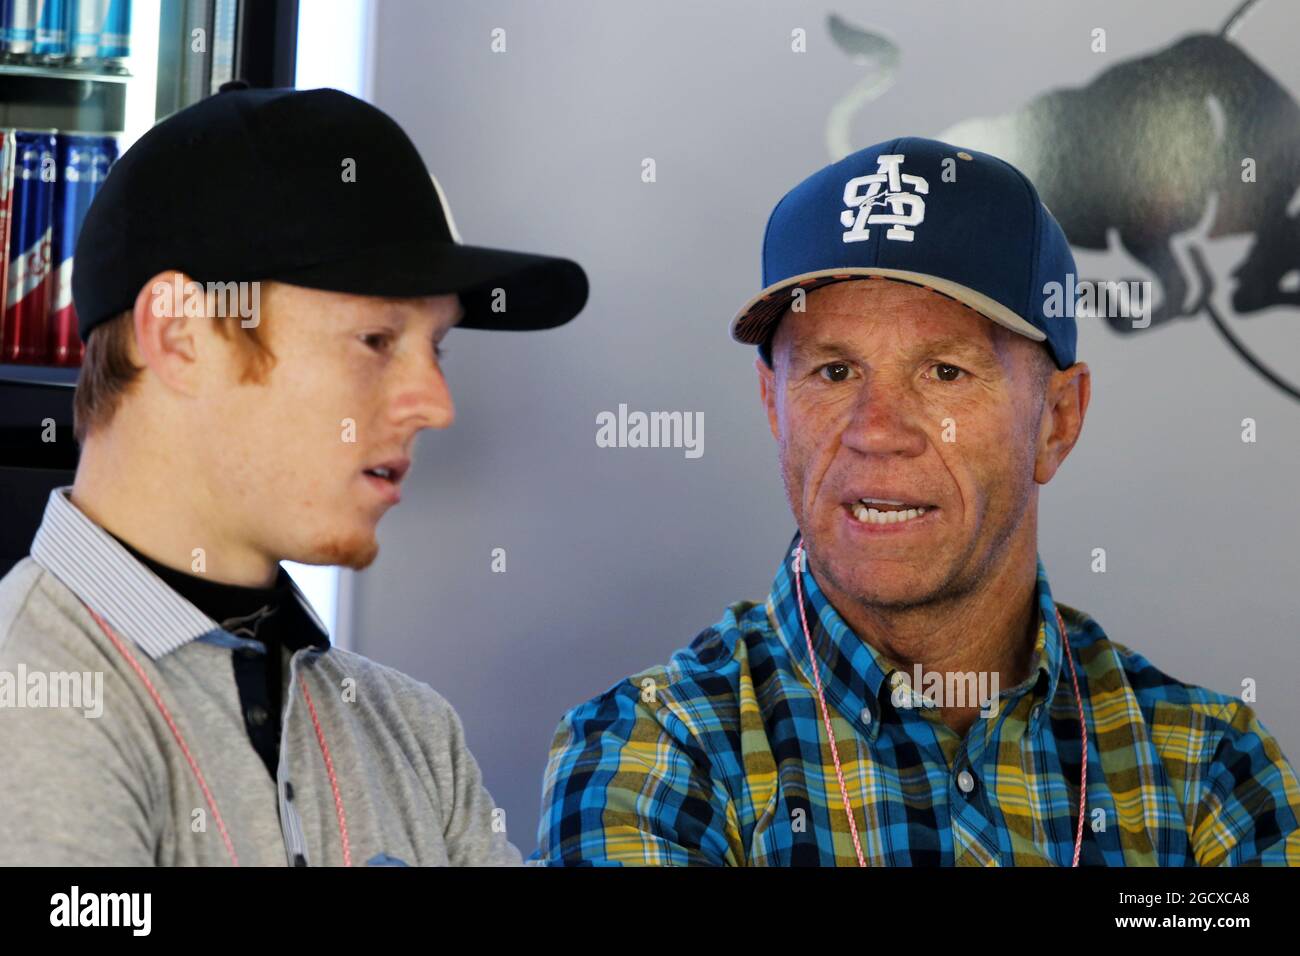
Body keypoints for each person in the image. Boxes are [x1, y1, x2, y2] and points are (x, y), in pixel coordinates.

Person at [535, 137, 1300, 866]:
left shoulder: (1209, 767)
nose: (877, 433)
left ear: (1058, 421)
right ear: (774, 406)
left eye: (943, 372)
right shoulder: (653, 750)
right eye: (833, 373)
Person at [0, 83, 588, 866]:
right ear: (179, 336)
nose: (436, 404)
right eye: (376, 339)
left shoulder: (415, 733)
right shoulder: (30, 698)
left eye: (436, 347)